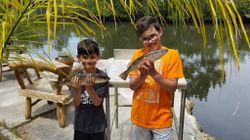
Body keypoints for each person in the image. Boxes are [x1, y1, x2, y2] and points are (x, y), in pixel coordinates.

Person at [128, 16, 184, 140]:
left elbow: (172, 87)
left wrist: (153, 73)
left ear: (160, 31)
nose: (150, 41)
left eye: (153, 36)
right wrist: (142, 75)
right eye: (145, 39)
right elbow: (132, 85)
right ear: (140, 39)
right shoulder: (137, 55)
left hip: (162, 119)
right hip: (139, 118)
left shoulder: (172, 55)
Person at [70, 39, 109, 140]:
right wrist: (77, 90)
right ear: (78, 58)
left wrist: (89, 88)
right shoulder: (75, 77)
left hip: (97, 125)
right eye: (85, 57)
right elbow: (76, 103)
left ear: (98, 56)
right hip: (80, 125)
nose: (88, 61)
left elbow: (97, 103)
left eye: (92, 57)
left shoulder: (102, 77)